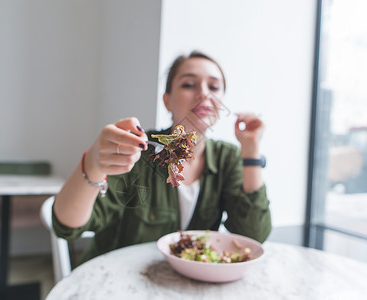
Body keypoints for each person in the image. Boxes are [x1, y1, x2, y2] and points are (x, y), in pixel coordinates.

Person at [52, 51, 272, 264]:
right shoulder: (137, 151)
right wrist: (93, 163)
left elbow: (253, 235)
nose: (204, 94)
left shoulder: (228, 157)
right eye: (188, 84)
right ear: (167, 100)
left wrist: (251, 150)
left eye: (214, 87)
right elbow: (67, 226)